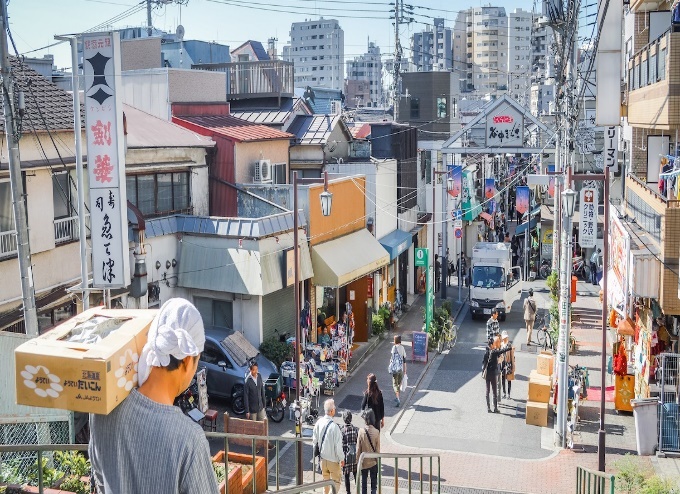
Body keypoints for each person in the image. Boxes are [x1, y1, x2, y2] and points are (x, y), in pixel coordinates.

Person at [89, 298, 219, 494]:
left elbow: (100, 480)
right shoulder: (189, 440)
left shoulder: (102, 413)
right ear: (186, 361)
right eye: (197, 361)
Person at [313, 399, 345, 494]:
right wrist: (342, 459)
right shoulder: (335, 427)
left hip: (322, 459)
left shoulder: (319, 422)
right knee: (336, 482)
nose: (335, 409)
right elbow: (338, 447)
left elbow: (314, 440)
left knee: (325, 482)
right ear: (331, 411)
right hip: (333, 460)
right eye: (334, 408)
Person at [482, 336, 512, 413]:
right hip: (493, 374)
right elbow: (502, 351)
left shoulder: (486, 352)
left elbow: (483, 363)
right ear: (491, 345)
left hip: (487, 374)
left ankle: (488, 408)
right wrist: (510, 348)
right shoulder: (494, 352)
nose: (495, 345)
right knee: (494, 391)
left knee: (487, 390)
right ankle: (495, 408)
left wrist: (483, 372)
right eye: (494, 344)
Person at [356, 409, 380, 494]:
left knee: (364, 484)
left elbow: (358, 448)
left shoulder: (361, 431)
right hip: (373, 461)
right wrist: (378, 462)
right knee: (374, 485)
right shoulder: (377, 432)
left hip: (364, 461)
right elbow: (377, 450)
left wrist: (357, 461)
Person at [341, 411, 358, 494]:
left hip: (346, 456)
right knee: (355, 473)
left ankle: (348, 492)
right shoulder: (355, 429)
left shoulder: (342, 430)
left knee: (346, 475)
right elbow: (357, 440)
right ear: (351, 418)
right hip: (354, 454)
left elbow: (341, 444)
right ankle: (358, 489)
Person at [388, 335, 407, 407]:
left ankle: (398, 398)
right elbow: (404, 360)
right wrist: (405, 370)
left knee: (394, 384)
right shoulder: (402, 348)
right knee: (399, 383)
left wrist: (390, 365)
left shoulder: (394, 347)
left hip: (395, 369)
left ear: (395, 341)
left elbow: (392, 358)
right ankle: (398, 396)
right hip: (400, 369)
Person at [500, 331, 515, 400]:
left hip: (508, 363)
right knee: (503, 379)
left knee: (509, 379)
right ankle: (504, 393)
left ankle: (508, 394)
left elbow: (512, 356)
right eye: (504, 337)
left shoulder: (509, 345)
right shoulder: (501, 345)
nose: (505, 339)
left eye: (506, 337)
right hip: (502, 364)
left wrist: (513, 366)